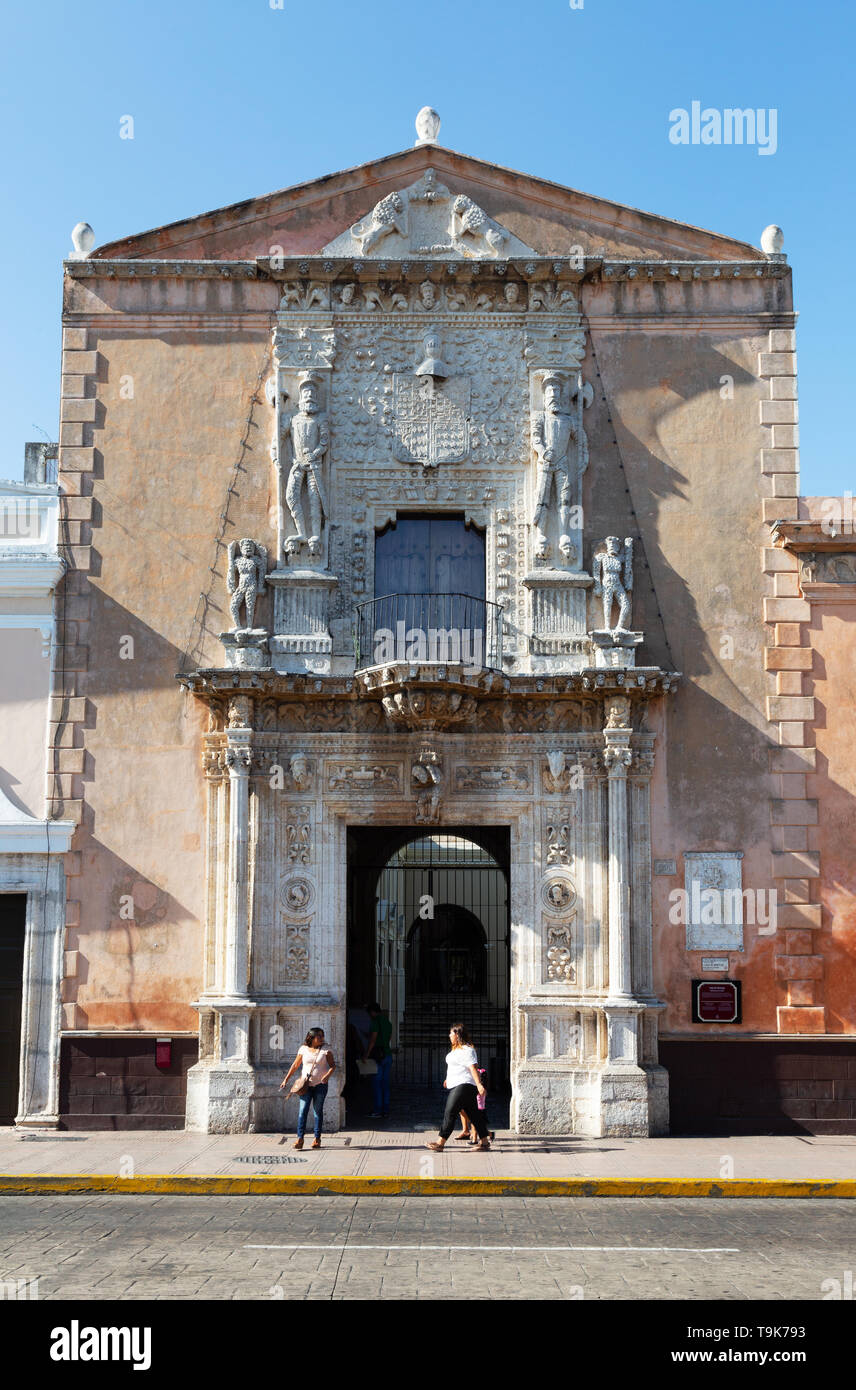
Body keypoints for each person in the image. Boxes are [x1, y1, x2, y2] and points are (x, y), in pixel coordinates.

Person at [426, 1025, 490, 1152]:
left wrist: (479, 1085)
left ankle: (440, 1142)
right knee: (474, 1115)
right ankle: (484, 1142)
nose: (449, 1036)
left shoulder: (468, 1050)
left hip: (465, 1086)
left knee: (450, 1111)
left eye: (451, 1033)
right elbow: (456, 1068)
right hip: (459, 1085)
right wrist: (448, 1079)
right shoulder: (455, 1050)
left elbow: (473, 1068)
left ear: (457, 1035)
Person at [280, 1027, 335, 1149]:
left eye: (322, 1036)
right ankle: (300, 1139)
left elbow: (333, 1066)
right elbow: (295, 1065)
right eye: (318, 1036)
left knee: (317, 1111)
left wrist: (327, 1076)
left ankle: (317, 1139)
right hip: (305, 1086)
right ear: (311, 1038)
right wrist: (286, 1079)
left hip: (320, 1086)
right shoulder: (303, 1049)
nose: (321, 1038)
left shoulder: (326, 1049)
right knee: (302, 1111)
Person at [363, 1001, 393, 1119]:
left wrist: (366, 1054)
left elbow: (373, 1040)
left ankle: (377, 1110)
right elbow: (389, 1037)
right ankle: (385, 1109)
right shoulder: (388, 1022)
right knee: (385, 1084)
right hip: (387, 1054)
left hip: (378, 1056)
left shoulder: (375, 1022)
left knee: (377, 1084)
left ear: (372, 1012)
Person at [455, 1069, 495, 1147]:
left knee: (475, 1125)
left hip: (478, 1110)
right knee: (476, 1126)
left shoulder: (478, 1089)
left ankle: (475, 1140)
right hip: (481, 1110)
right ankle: (485, 1135)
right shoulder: (483, 1089)